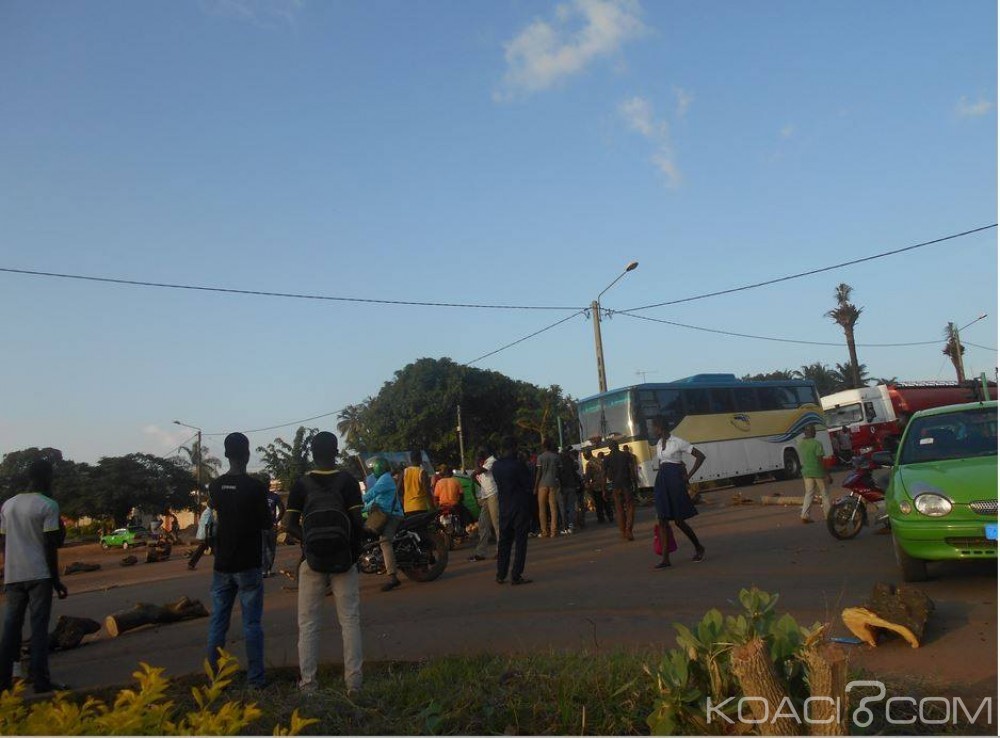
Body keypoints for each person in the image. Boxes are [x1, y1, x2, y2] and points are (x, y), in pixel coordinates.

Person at [283, 431, 365, 695]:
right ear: (336, 451)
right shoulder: (348, 481)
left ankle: (308, 684)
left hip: (313, 560)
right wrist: (354, 550)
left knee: (308, 624)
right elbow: (357, 524)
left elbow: (288, 525)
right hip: (344, 560)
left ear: (312, 454)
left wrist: (307, 542)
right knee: (349, 621)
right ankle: (354, 683)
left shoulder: (301, 484)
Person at [205, 433, 271, 688]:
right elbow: (266, 524)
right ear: (247, 454)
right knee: (252, 624)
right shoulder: (255, 487)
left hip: (222, 564)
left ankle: (213, 680)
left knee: (217, 624)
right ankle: (256, 680)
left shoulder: (216, 486)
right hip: (248, 564)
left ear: (225, 454)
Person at [0, 460, 69, 694]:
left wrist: (8, 567)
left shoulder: (8, 505)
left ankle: (4, 683)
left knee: (10, 630)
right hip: (39, 574)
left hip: (13, 576)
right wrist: (56, 580)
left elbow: (3, 542)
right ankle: (41, 681)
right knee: (38, 630)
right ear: (47, 476)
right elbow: (51, 546)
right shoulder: (48, 505)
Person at [652, 417, 706, 568]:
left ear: (660, 427)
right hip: (662, 480)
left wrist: (688, 476)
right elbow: (662, 462)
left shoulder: (678, 442)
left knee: (678, 520)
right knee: (662, 519)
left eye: (653, 427)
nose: (652, 430)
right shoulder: (658, 443)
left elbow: (700, 456)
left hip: (675, 480)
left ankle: (698, 547)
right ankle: (665, 559)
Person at [493, 437, 535, 585]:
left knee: (504, 542)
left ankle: (500, 574)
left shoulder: (496, 466)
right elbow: (528, 484)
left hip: (504, 507)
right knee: (520, 542)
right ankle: (516, 574)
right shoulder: (518, 465)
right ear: (514, 447)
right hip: (519, 506)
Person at [363, 456, 405, 592]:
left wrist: (356, 500)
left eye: (373, 468)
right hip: (384, 513)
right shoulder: (383, 479)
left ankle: (393, 577)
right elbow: (375, 499)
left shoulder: (385, 479)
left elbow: (371, 494)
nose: (372, 472)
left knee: (384, 542)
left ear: (378, 467)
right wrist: (362, 508)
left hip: (393, 516)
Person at [469, 447, 499, 562]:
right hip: (486, 495)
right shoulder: (484, 463)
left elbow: (479, 471)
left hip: (493, 493)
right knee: (482, 523)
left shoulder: (491, 460)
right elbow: (474, 476)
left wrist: (477, 464)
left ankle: (500, 551)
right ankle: (480, 552)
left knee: (496, 523)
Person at [798, 425, 834, 524]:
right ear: (812, 432)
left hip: (806, 472)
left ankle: (804, 515)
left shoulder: (801, 444)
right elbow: (820, 460)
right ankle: (828, 515)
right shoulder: (817, 444)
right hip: (818, 472)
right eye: (814, 431)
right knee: (825, 494)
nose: (815, 432)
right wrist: (828, 474)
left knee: (809, 494)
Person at [605, 440, 636, 541]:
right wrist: (634, 482)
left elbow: (603, 474)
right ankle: (629, 530)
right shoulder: (626, 455)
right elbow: (632, 469)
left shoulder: (607, 458)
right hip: (626, 484)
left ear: (609, 448)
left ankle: (623, 531)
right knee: (630, 506)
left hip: (615, 485)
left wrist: (603, 489)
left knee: (619, 509)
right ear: (618, 446)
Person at [533, 439, 561, 538]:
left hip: (542, 484)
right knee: (553, 508)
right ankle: (553, 531)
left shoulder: (540, 457)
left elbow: (538, 473)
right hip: (553, 483)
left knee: (542, 508)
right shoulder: (556, 457)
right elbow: (559, 472)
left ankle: (544, 531)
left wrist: (535, 486)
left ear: (544, 447)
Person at [262, 485, 286, 578]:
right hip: (270, 525)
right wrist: (276, 520)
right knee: (270, 549)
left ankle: (265, 570)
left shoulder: (257, 496)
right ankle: (266, 569)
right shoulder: (274, 496)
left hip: (265, 526)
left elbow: (282, 509)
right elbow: (282, 510)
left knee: (264, 548)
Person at [557, 446, 581, 535]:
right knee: (571, 506)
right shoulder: (571, 461)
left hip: (562, 487)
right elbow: (577, 468)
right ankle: (571, 525)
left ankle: (565, 527)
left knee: (563, 508)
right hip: (571, 486)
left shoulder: (559, 463)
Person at [401, 450, 433, 516]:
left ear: (411, 459)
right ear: (420, 459)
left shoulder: (404, 472)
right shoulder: (422, 472)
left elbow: (399, 488)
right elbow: (427, 491)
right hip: (420, 507)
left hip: (407, 508)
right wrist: (432, 506)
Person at [187, 502, 216, 571]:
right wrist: (206, 537)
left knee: (201, 549)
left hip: (207, 535)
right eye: (214, 504)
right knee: (216, 549)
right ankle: (223, 565)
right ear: (211, 505)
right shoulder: (208, 513)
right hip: (207, 535)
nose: (215, 505)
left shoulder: (208, 512)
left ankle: (191, 564)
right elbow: (206, 525)